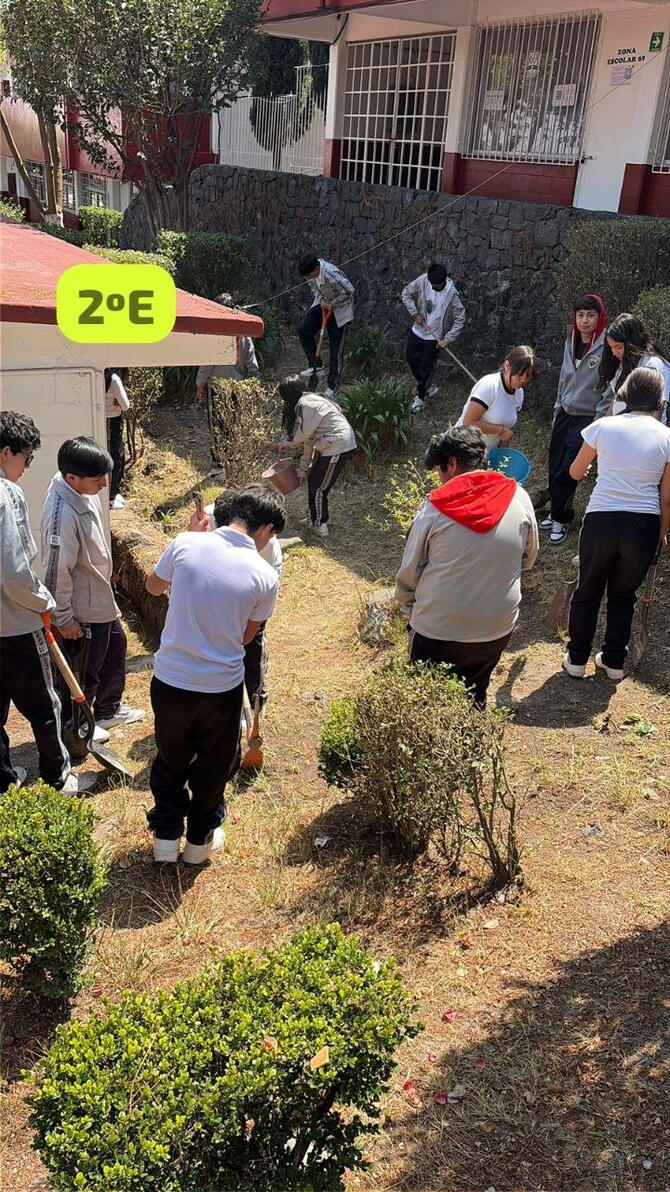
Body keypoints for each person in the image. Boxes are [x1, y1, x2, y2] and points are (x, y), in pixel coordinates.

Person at [144, 486, 285, 864]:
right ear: (266, 529)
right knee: (213, 766)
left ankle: (165, 840)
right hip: (220, 688)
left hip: (171, 681)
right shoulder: (265, 574)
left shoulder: (185, 543)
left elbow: (152, 586)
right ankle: (198, 843)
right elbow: (247, 637)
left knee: (170, 759)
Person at [395, 426, 538, 707]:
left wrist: (410, 612)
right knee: (475, 692)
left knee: (425, 702)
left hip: (438, 630)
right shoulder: (518, 496)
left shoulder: (434, 508)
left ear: (452, 463)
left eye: (440, 470)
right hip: (496, 629)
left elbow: (409, 574)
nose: (440, 480)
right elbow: (529, 558)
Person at [0, 412, 96, 795]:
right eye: (26, 458)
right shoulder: (6, 496)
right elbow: (14, 571)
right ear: (5, 453)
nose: (27, 467)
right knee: (44, 704)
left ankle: (3, 779)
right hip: (17, 623)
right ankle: (59, 776)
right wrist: (44, 601)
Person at [562, 368, 670, 683]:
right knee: (623, 595)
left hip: (602, 519)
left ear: (625, 393)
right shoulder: (666, 436)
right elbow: (666, 498)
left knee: (588, 589)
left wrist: (588, 468)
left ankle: (577, 658)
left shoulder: (603, 426)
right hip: (643, 524)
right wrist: (662, 533)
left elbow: (574, 471)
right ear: (659, 400)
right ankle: (614, 662)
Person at [40, 437, 144, 739]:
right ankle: (77, 725)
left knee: (115, 648)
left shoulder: (83, 490)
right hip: (81, 608)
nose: (103, 484)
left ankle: (107, 710)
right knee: (85, 667)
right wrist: (63, 619)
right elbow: (56, 571)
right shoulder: (62, 514)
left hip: (99, 597)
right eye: (97, 478)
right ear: (72, 478)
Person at [205, 484, 283, 711]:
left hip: (255, 588)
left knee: (252, 643)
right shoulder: (209, 518)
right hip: (223, 584)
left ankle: (255, 693)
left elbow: (246, 634)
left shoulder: (265, 545)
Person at [539, 294, 607, 545]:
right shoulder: (572, 339)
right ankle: (555, 510)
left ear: (599, 318)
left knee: (569, 469)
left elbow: (609, 390)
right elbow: (563, 379)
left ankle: (562, 518)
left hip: (587, 418)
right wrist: (557, 409)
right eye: (580, 315)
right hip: (565, 414)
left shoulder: (605, 346)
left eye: (590, 315)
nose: (585, 320)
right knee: (555, 464)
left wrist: (598, 422)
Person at [278, 377, 356, 538]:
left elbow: (301, 436)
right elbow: (308, 442)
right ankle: (315, 518)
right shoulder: (311, 401)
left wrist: (285, 443)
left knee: (319, 487)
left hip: (336, 445)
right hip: (331, 443)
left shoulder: (306, 405)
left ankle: (319, 524)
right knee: (314, 480)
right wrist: (302, 471)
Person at [196, 293, 260, 472]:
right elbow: (252, 364)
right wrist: (252, 383)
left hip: (217, 387)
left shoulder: (213, 334)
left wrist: (199, 384)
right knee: (232, 422)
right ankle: (231, 459)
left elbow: (206, 365)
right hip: (238, 386)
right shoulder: (244, 334)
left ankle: (218, 464)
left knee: (217, 425)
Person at [401, 262, 466, 414]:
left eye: (438, 285)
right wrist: (414, 313)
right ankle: (427, 387)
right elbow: (406, 293)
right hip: (419, 330)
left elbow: (460, 318)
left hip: (434, 338)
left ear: (444, 281)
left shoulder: (452, 295)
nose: (435, 287)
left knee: (426, 367)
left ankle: (421, 397)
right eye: (433, 285)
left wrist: (447, 339)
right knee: (411, 359)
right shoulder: (423, 281)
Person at [455, 345, 537, 449]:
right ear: (507, 366)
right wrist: (501, 430)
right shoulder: (490, 386)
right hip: (464, 448)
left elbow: (505, 432)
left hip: (487, 452)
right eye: (519, 375)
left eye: (528, 376)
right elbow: (468, 423)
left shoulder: (519, 393)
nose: (523, 380)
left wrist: (502, 452)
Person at [297, 253, 355, 398]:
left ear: (316, 269)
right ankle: (316, 366)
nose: (308, 279)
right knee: (305, 330)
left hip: (340, 309)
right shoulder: (312, 274)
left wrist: (332, 303)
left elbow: (349, 291)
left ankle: (333, 387)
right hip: (323, 304)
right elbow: (314, 288)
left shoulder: (331, 273)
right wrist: (322, 299)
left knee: (336, 349)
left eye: (309, 275)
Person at [599, 313, 670, 419]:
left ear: (632, 343)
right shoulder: (622, 364)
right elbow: (616, 402)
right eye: (611, 347)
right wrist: (605, 423)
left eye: (619, 347)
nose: (614, 352)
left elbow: (658, 408)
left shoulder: (654, 365)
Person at [104, 367, 130, 510]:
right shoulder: (113, 379)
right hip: (113, 420)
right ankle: (112, 495)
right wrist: (117, 400)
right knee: (116, 456)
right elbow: (125, 405)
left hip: (99, 419)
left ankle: (109, 494)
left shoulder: (98, 376)